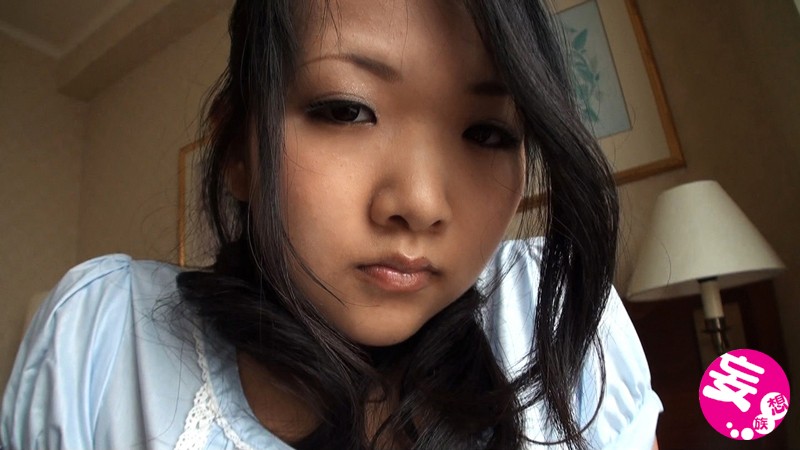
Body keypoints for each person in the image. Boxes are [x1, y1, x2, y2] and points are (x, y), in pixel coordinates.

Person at [1, 0, 662, 448]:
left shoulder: (556, 316)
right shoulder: (105, 340)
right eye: (348, 110)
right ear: (237, 151)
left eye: (487, 133)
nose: (421, 203)